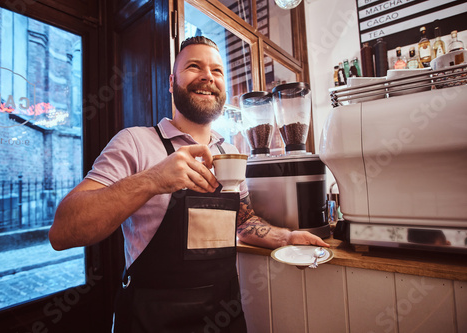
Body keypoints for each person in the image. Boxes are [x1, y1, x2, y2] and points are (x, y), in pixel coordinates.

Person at [49, 36, 329, 333]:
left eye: (217, 71)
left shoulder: (228, 153)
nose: (208, 76)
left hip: (225, 315)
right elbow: (63, 232)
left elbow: (243, 220)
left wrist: (286, 238)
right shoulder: (134, 142)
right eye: (194, 66)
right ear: (172, 82)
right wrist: (153, 179)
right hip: (151, 320)